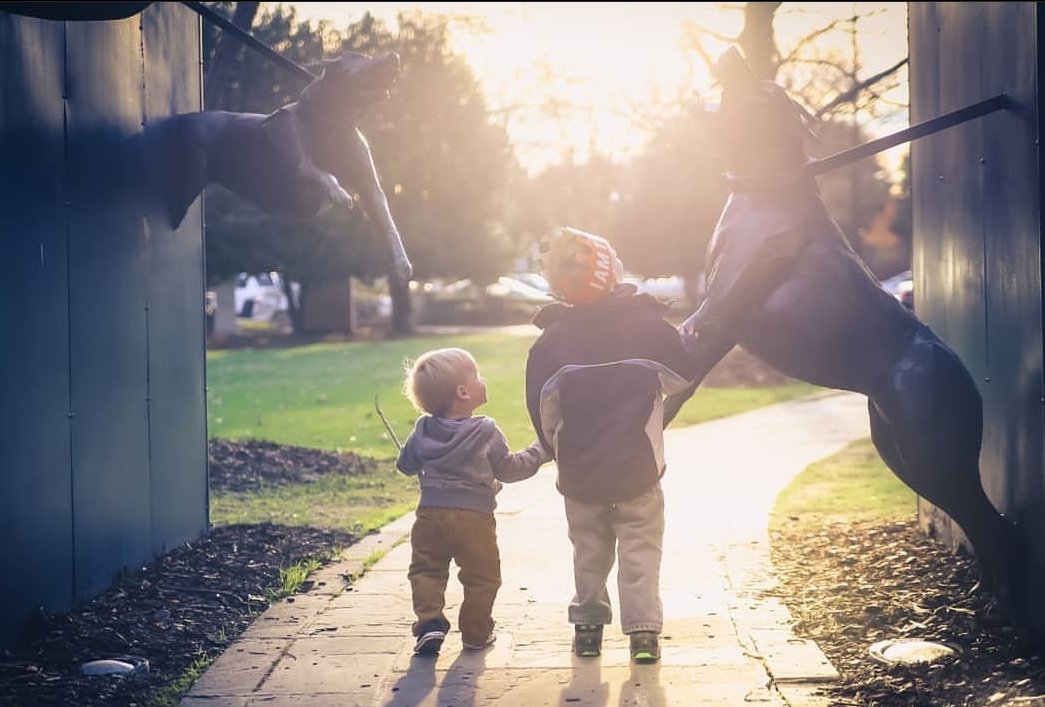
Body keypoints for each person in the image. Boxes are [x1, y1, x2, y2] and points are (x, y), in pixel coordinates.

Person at [525, 227, 700, 663]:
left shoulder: (551, 343)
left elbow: (540, 409)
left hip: (580, 473)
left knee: (589, 550)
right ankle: (643, 633)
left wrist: (555, 449)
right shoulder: (646, 328)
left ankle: (587, 628)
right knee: (640, 548)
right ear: (608, 271)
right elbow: (684, 374)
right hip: (637, 467)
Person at [397, 347, 550, 656]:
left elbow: (406, 465)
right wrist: (540, 451)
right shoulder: (485, 430)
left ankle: (430, 624)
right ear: (463, 392)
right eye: (477, 375)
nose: (483, 379)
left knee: (426, 570)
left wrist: (413, 452)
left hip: (430, 515)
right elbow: (508, 469)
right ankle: (476, 633)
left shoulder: (423, 428)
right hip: (475, 519)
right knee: (482, 577)